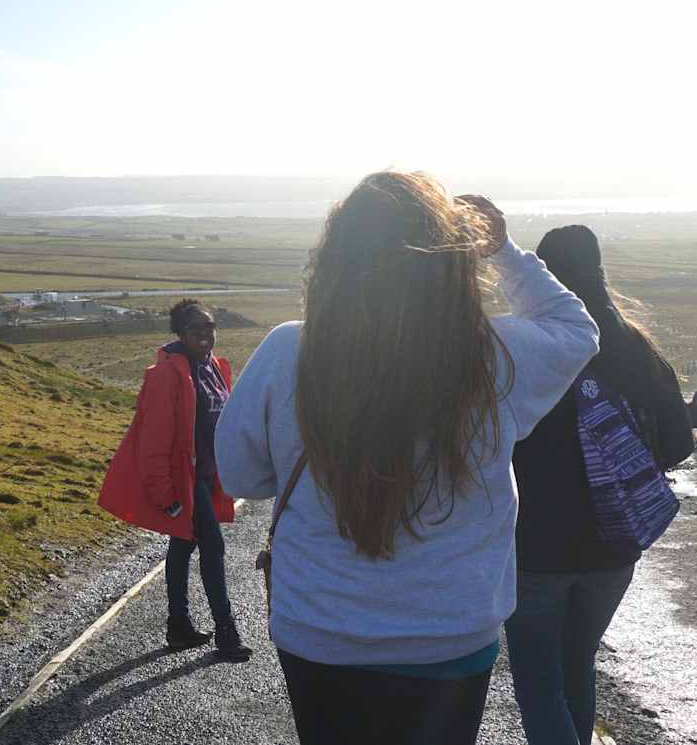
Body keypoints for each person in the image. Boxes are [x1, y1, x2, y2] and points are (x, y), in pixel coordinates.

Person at [215, 172, 598, 745]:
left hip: (320, 631)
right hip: (452, 634)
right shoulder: (496, 356)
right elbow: (576, 329)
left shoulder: (288, 349)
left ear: (336, 259)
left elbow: (240, 475)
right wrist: (504, 252)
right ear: (452, 262)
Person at [507, 225, 694, 745]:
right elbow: (679, 443)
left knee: (540, 682)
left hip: (535, 547)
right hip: (615, 546)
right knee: (577, 665)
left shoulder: (528, 350)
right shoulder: (637, 348)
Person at [96, 299, 252, 661]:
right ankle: (226, 632)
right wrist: (164, 492)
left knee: (183, 544)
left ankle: (178, 626)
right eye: (195, 329)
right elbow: (155, 437)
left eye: (209, 327)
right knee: (212, 547)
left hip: (207, 474)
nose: (205, 335)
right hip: (186, 479)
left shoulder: (212, 367)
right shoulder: (167, 374)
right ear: (180, 333)